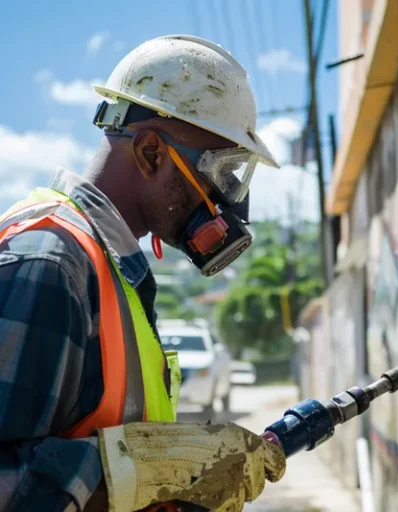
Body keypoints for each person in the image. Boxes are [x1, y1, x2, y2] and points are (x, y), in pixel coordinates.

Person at [0, 35, 286, 512]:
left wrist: (174, 488)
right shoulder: (50, 262)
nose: (226, 199)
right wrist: (151, 471)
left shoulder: (111, 270)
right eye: (222, 170)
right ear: (152, 153)